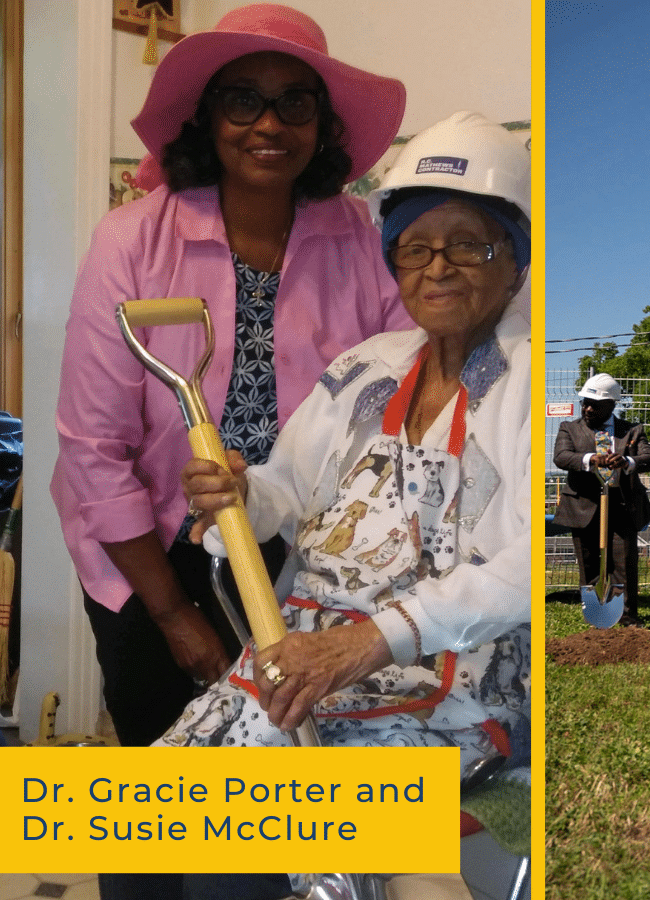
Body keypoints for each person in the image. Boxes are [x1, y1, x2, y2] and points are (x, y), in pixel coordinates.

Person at [51, 4, 409, 756]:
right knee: (165, 783)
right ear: (209, 115)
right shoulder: (131, 241)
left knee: (288, 775)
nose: (269, 124)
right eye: (243, 99)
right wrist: (177, 614)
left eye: (295, 102)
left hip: (307, 553)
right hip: (152, 554)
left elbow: (398, 400)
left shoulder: (359, 239)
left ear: (321, 124)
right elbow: (93, 450)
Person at [163, 110, 531, 762]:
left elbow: (535, 565)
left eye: (470, 244)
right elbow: (286, 493)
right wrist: (240, 495)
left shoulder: (537, 381)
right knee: (157, 793)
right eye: (415, 248)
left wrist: (366, 643)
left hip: (457, 676)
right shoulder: (363, 370)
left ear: (516, 263)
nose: (437, 267)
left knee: (232, 816)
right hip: (298, 660)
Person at [552, 374, 650, 627]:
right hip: (584, 506)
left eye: (594, 404)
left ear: (612, 405)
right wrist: (591, 460)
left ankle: (627, 617)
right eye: (585, 403)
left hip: (622, 507)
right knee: (588, 563)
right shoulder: (570, 428)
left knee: (623, 564)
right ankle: (596, 614)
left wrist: (628, 461)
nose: (587, 408)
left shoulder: (631, 431)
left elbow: (648, 459)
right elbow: (562, 457)